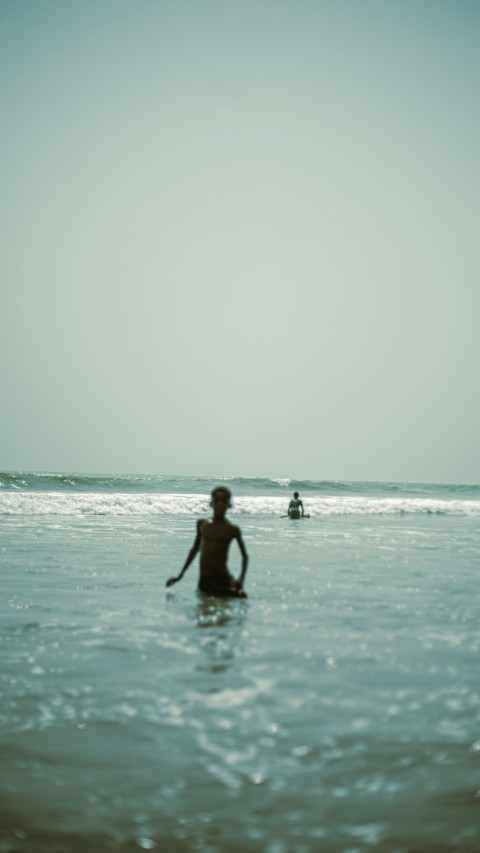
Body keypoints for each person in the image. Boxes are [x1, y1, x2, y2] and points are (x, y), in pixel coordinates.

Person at [166, 486, 248, 598]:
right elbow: (195, 549)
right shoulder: (203, 525)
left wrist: (241, 579)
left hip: (223, 580)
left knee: (236, 600)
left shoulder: (232, 529)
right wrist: (180, 575)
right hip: (204, 580)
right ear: (211, 503)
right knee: (204, 605)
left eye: (223, 501)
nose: (219, 504)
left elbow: (245, 556)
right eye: (216, 501)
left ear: (229, 505)